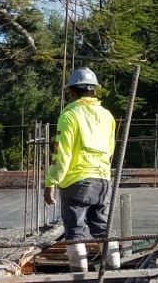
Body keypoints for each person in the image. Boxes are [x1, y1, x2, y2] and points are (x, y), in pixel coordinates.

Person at [44, 67, 116, 271]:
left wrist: (51, 182)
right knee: (103, 228)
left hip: (77, 182)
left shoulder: (70, 115)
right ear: (94, 91)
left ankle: (78, 277)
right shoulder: (107, 116)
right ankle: (115, 271)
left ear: (72, 92)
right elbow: (110, 149)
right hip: (103, 180)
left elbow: (62, 154)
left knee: (75, 231)